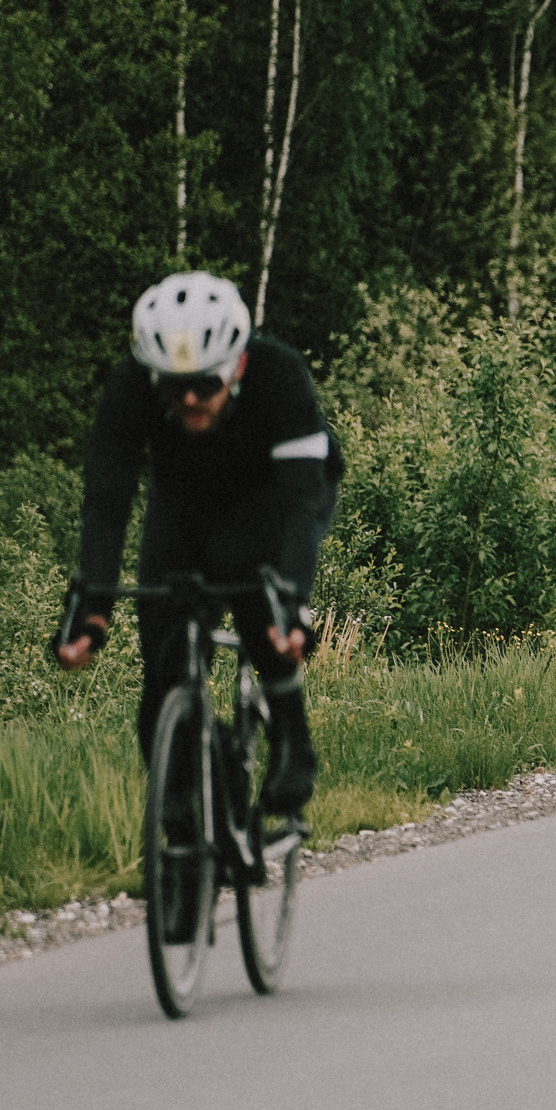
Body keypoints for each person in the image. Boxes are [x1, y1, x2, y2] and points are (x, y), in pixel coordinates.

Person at [54, 273, 342, 820]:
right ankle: (189, 822)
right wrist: (91, 609)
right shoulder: (132, 384)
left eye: (205, 384)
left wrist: (294, 603)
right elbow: (107, 501)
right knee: (161, 662)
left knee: (256, 589)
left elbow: (301, 505)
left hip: (278, 491)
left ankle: (291, 733)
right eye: (172, 385)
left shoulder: (281, 375)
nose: (188, 398)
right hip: (186, 497)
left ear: (236, 365)